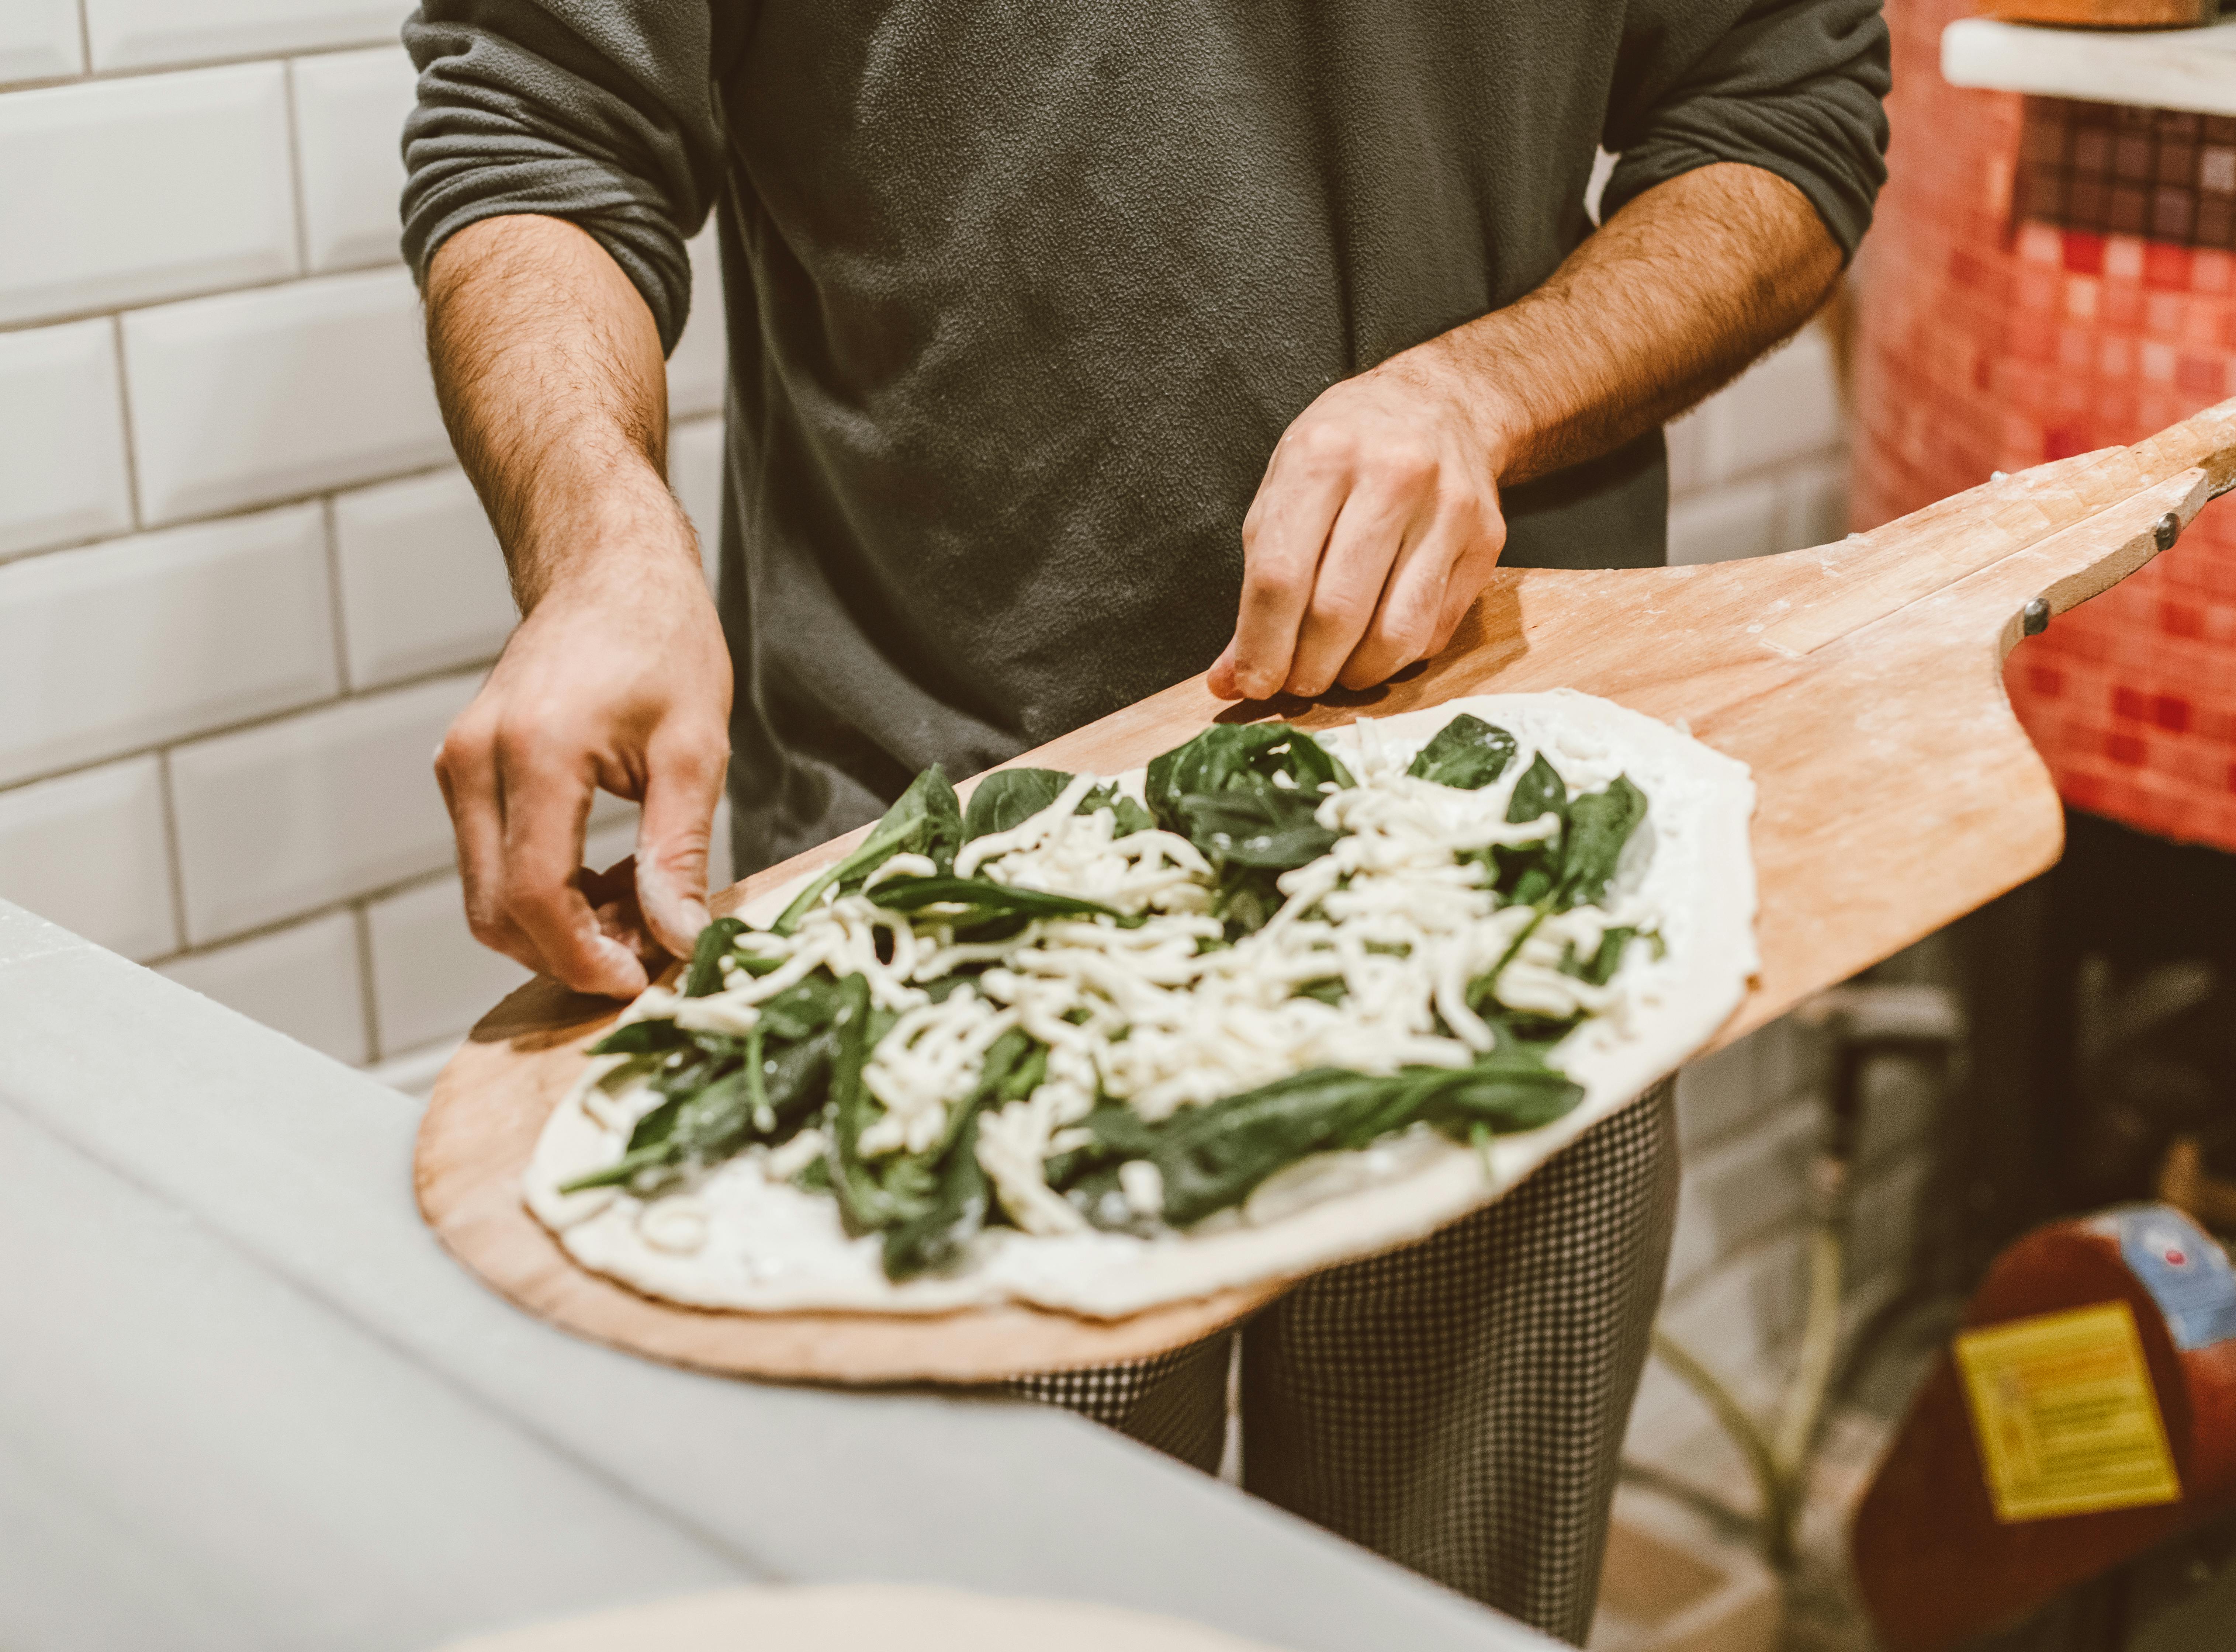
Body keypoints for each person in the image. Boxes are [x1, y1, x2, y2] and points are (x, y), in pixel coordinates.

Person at [402, 5, 1886, 1640]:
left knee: (1451, 1620)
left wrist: (1486, 393)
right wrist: (601, 534)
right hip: (940, 912)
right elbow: (546, 128)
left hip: (1503, 869)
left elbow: (1782, 107)